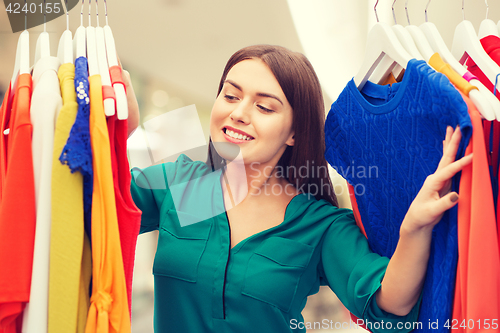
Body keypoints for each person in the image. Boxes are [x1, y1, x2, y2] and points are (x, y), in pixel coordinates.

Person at [123, 45, 472, 333]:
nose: (239, 113)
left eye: (264, 106)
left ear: (294, 132)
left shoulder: (317, 223)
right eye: (230, 96)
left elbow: (389, 303)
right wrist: (120, 134)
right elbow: (94, 213)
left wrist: (414, 228)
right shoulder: (184, 184)